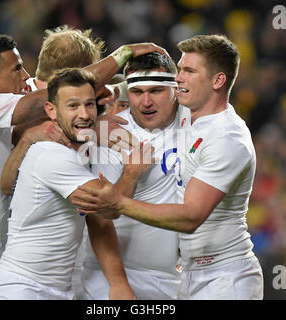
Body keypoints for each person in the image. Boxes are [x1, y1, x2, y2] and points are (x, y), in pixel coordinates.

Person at [0, 31, 167, 300]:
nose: (25, 75)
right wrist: (123, 54)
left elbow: (4, 183)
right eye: (17, 69)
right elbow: (104, 210)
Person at [74, 34, 264, 300]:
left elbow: (190, 217)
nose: (180, 77)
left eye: (189, 71)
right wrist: (107, 100)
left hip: (221, 275)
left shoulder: (224, 136)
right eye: (181, 69)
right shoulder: (184, 117)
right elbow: (69, 93)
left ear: (217, 80)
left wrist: (118, 200)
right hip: (179, 277)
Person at [0, 68, 134, 300]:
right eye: (73, 106)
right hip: (21, 289)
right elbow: (108, 208)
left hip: (55, 290)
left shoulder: (81, 153)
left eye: (90, 105)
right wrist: (133, 171)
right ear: (51, 110)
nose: (84, 114)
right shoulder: (52, 154)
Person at [80, 52, 187, 300]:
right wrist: (131, 173)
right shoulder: (112, 131)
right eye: (137, 92)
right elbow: (100, 217)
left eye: (156, 91)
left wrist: (116, 92)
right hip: (112, 279)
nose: (146, 102)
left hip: (171, 280)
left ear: (175, 90)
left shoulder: (192, 122)